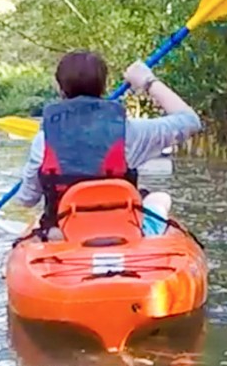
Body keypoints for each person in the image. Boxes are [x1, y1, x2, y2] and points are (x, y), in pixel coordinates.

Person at [15, 51, 200, 232]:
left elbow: (27, 200)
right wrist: (148, 81)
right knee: (159, 198)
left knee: (47, 223)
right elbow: (191, 121)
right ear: (103, 87)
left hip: (65, 232)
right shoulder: (130, 132)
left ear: (60, 89)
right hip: (121, 230)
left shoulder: (44, 140)